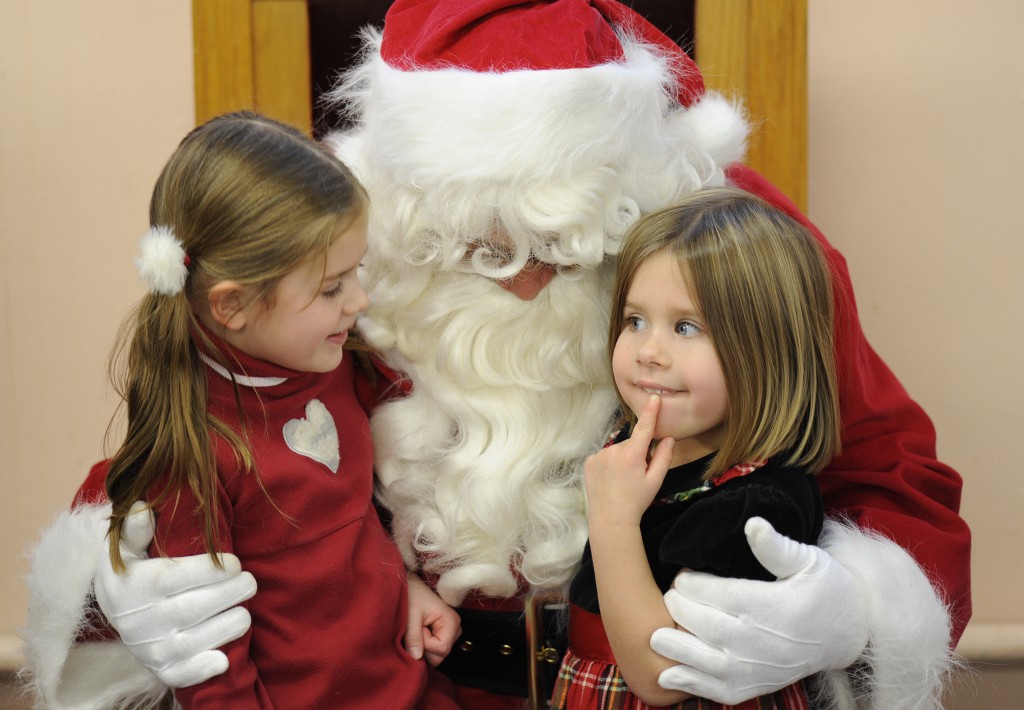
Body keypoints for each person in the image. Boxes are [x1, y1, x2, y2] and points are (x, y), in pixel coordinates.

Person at [21, 2, 970, 709]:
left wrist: (851, 606)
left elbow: (894, 473)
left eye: (565, 248)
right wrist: (125, 575)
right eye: (479, 247)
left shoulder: (731, 242)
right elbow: (191, 422)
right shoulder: (343, 248)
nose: (522, 283)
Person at [23, 111, 461, 709]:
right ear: (232, 306)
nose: (359, 300)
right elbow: (209, 663)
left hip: (405, 687)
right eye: (333, 287)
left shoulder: (332, 363)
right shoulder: (196, 454)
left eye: (356, 273)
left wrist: (403, 585)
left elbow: (353, 526)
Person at [552, 187, 840, 709]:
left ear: (766, 348)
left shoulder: (755, 507)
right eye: (635, 321)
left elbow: (663, 675)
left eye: (686, 327)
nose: (648, 351)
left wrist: (612, 518)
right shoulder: (639, 443)